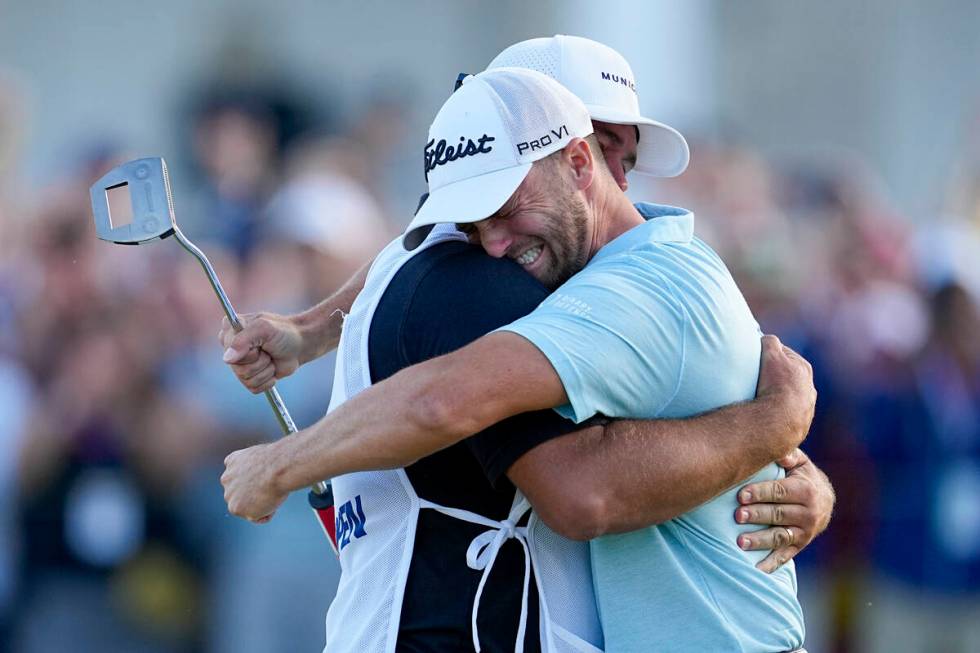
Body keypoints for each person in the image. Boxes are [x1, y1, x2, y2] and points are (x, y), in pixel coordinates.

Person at [222, 65, 819, 652]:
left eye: (505, 210)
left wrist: (277, 467)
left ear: (580, 162)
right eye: (476, 223)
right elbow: (425, 264)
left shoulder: (633, 290)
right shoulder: (620, 269)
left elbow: (451, 405)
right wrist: (308, 332)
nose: (494, 245)